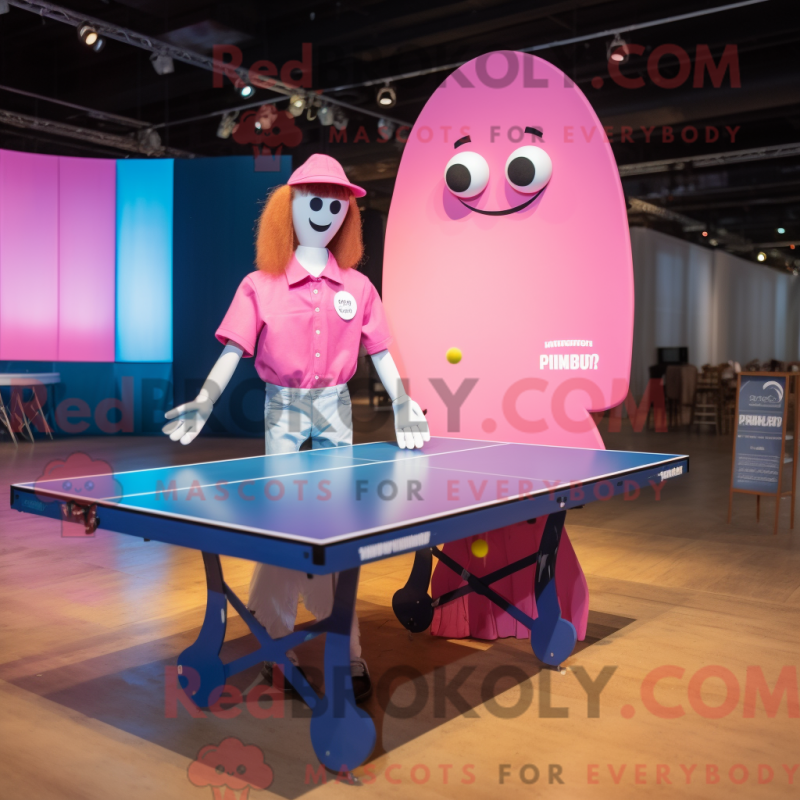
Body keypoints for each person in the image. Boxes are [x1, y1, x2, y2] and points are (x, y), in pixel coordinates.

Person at [163, 154, 429, 702]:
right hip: (282, 405)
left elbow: (380, 351)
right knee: (284, 526)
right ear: (290, 207)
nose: (325, 212)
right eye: (314, 201)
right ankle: (274, 644)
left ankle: (346, 648)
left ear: (347, 214)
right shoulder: (259, 285)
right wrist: (206, 399)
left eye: (336, 204)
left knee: (337, 526)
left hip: (335, 404)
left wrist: (404, 402)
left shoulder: (359, 286)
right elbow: (233, 350)